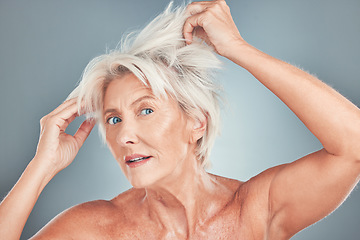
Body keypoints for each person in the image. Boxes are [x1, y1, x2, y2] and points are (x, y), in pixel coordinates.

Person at [0, 0, 359, 239]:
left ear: (196, 122)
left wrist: (236, 48)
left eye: (146, 110)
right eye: (113, 119)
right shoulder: (95, 229)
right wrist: (41, 167)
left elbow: (353, 146)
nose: (125, 134)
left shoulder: (253, 211)